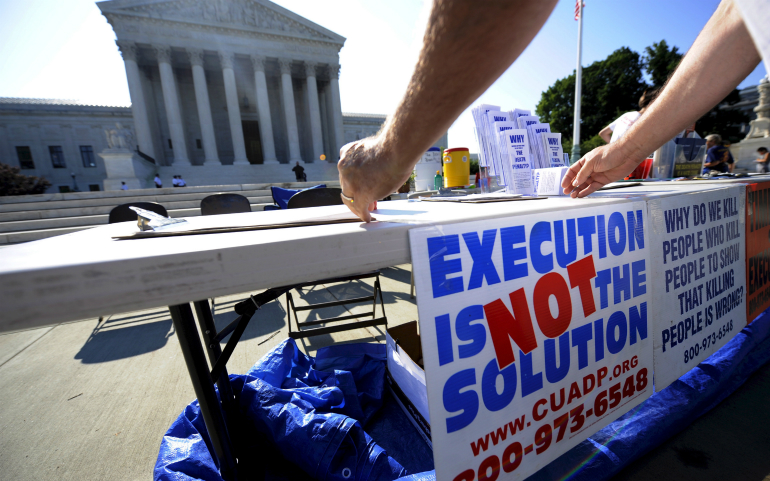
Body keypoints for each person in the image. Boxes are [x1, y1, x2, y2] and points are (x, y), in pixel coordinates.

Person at [562, 0, 763, 197]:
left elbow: (736, 18)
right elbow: (740, 17)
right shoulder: (638, 118)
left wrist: (621, 149)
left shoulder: (629, 115)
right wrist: (626, 151)